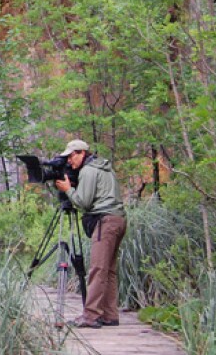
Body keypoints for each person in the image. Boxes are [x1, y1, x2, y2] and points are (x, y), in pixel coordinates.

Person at [54, 139, 126, 329]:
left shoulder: (88, 170)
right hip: (118, 220)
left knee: (97, 268)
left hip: (105, 222)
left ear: (81, 153)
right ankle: (110, 315)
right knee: (108, 270)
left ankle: (91, 315)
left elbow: (83, 202)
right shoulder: (105, 167)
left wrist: (68, 189)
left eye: (71, 156)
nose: (69, 161)